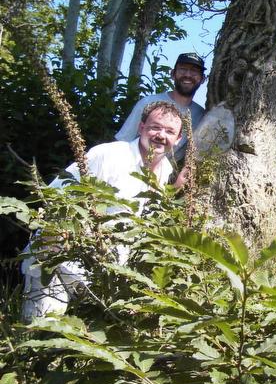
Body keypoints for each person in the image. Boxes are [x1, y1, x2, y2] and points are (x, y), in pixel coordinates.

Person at [22, 102, 184, 320]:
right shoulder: (109, 155)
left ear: (179, 139)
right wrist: (55, 242)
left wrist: (175, 190)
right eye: (155, 127)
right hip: (57, 264)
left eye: (170, 131)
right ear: (141, 127)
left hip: (98, 277)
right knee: (40, 332)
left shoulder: (166, 170)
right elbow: (55, 195)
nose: (161, 135)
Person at [116, 52, 206, 159]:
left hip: (165, 173)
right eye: (183, 69)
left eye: (194, 71)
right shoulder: (148, 102)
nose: (188, 75)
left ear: (202, 79)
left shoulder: (200, 115)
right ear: (172, 74)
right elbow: (122, 142)